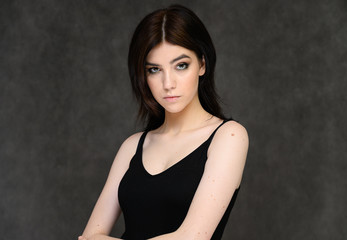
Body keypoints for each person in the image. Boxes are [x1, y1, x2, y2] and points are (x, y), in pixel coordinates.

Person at [79, 4, 248, 240]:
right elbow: (88, 237)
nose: (168, 83)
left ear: (202, 64)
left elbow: (192, 238)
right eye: (154, 69)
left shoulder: (229, 137)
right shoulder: (132, 146)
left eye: (181, 65)